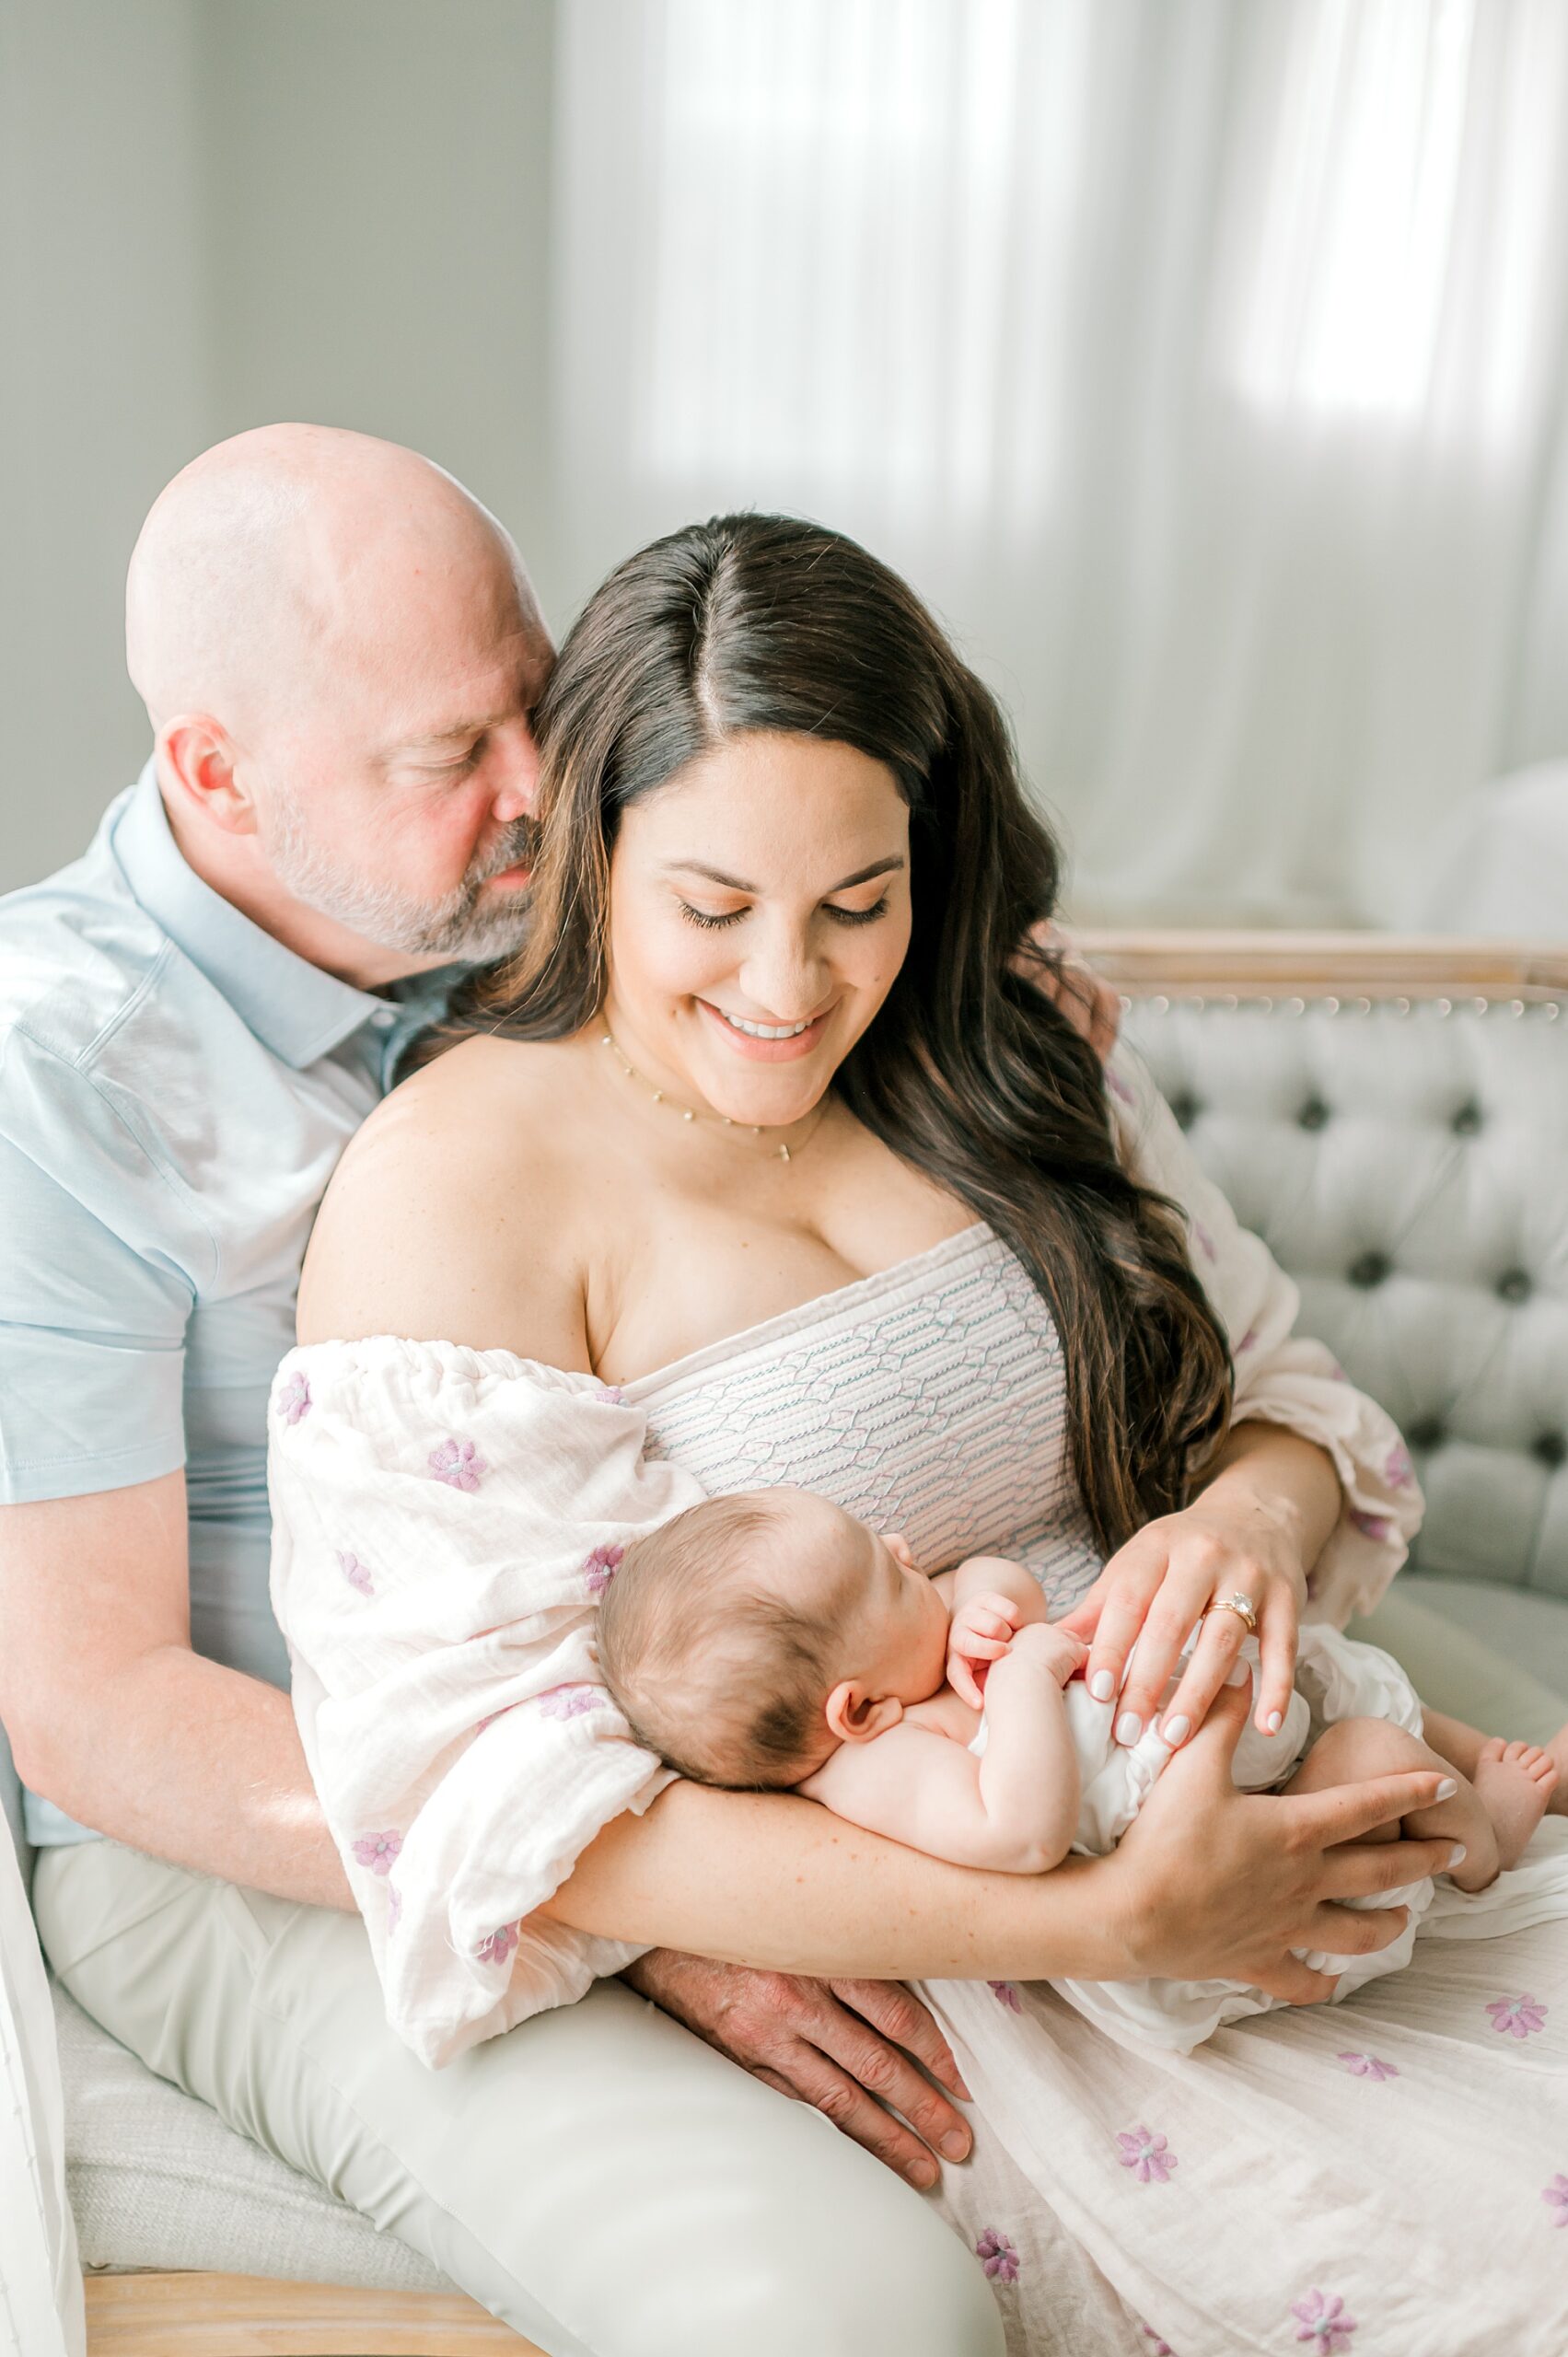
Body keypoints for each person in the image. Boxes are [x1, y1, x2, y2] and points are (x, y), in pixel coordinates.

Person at [267, 511, 1566, 2354]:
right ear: (588, 846)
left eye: (853, 902)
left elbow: (1280, 1409)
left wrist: (1233, 1534)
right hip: (1005, 1967)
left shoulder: (999, 1042)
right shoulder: (457, 1184)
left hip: (1310, 1805)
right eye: (709, 907)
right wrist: (1114, 1919)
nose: (788, 988)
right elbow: (498, 1801)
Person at [0, 426, 1144, 2357]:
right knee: (856, 2311)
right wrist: (616, 1902)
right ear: (216, 772)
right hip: (276, 1828)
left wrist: (952, 976)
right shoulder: (53, 1079)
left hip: (707, 1712)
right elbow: (92, 1706)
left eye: (531, 702)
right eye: (449, 757)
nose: (540, 792)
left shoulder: (504, 906)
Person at [596, 1487, 1565, 2041]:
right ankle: (1489, 1842)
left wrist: (982, 1600)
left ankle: (1470, 1770)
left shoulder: (913, 1658)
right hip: (1223, 1896)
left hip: (1246, 1765)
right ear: (855, 1710)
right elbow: (1023, 1833)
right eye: (886, 1572)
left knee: (1324, 1673)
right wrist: (1020, 1671)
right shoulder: (881, 1770)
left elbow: (1004, 1585)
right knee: (1376, 1761)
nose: (904, 1549)